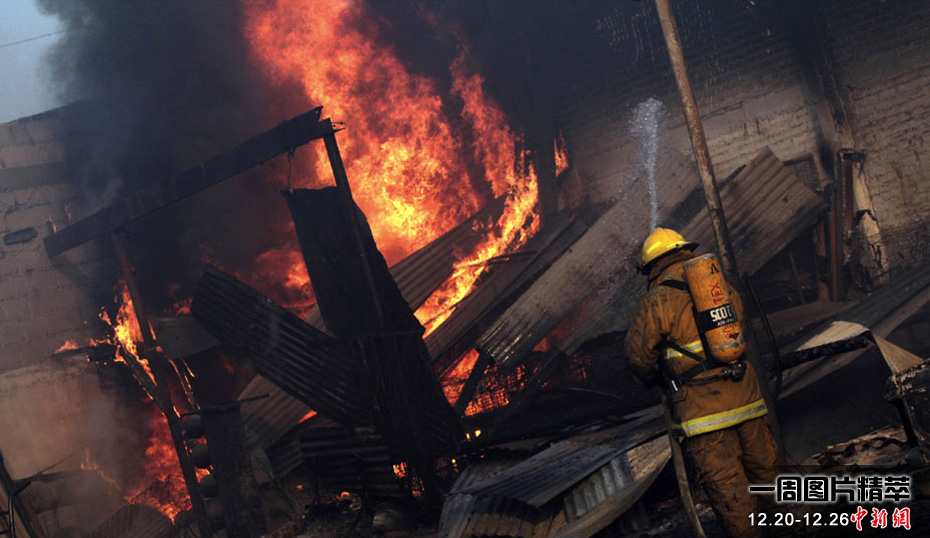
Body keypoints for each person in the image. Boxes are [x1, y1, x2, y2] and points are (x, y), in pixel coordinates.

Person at [624, 228, 778, 538]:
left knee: (730, 489)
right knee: (768, 475)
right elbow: (738, 322)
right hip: (747, 398)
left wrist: (654, 377)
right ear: (684, 250)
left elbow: (638, 357)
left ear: (652, 266)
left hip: (703, 414)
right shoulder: (718, 283)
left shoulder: (657, 300)